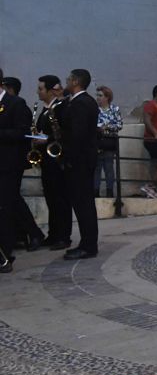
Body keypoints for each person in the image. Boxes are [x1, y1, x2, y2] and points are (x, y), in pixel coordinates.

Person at [58, 69, 100, 260]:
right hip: (80, 160)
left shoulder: (82, 103)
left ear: (75, 81)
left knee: (83, 205)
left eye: (68, 79)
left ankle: (88, 245)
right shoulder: (79, 101)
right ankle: (87, 243)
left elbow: (78, 135)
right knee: (82, 204)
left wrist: (68, 158)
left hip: (79, 161)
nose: (66, 81)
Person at [0, 66, 33, 272]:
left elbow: (22, 133)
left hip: (7, 166)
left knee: (5, 209)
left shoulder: (15, 103)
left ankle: (5, 254)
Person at [36, 75, 72, 249]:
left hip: (57, 160)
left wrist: (47, 138)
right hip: (46, 160)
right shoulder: (44, 109)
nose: (38, 91)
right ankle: (53, 233)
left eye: (41, 88)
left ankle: (64, 236)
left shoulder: (61, 107)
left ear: (50, 90)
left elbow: (65, 132)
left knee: (60, 199)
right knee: (51, 198)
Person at [94, 85, 122, 198]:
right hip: (97, 141)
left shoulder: (115, 109)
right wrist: (100, 127)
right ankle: (95, 191)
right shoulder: (95, 110)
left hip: (109, 142)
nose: (98, 98)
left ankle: (109, 191)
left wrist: (107, 127)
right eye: (97, 95)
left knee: (109, 168)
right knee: (97, 168)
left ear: (107, 97)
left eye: (100, 96)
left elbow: (119, 125)